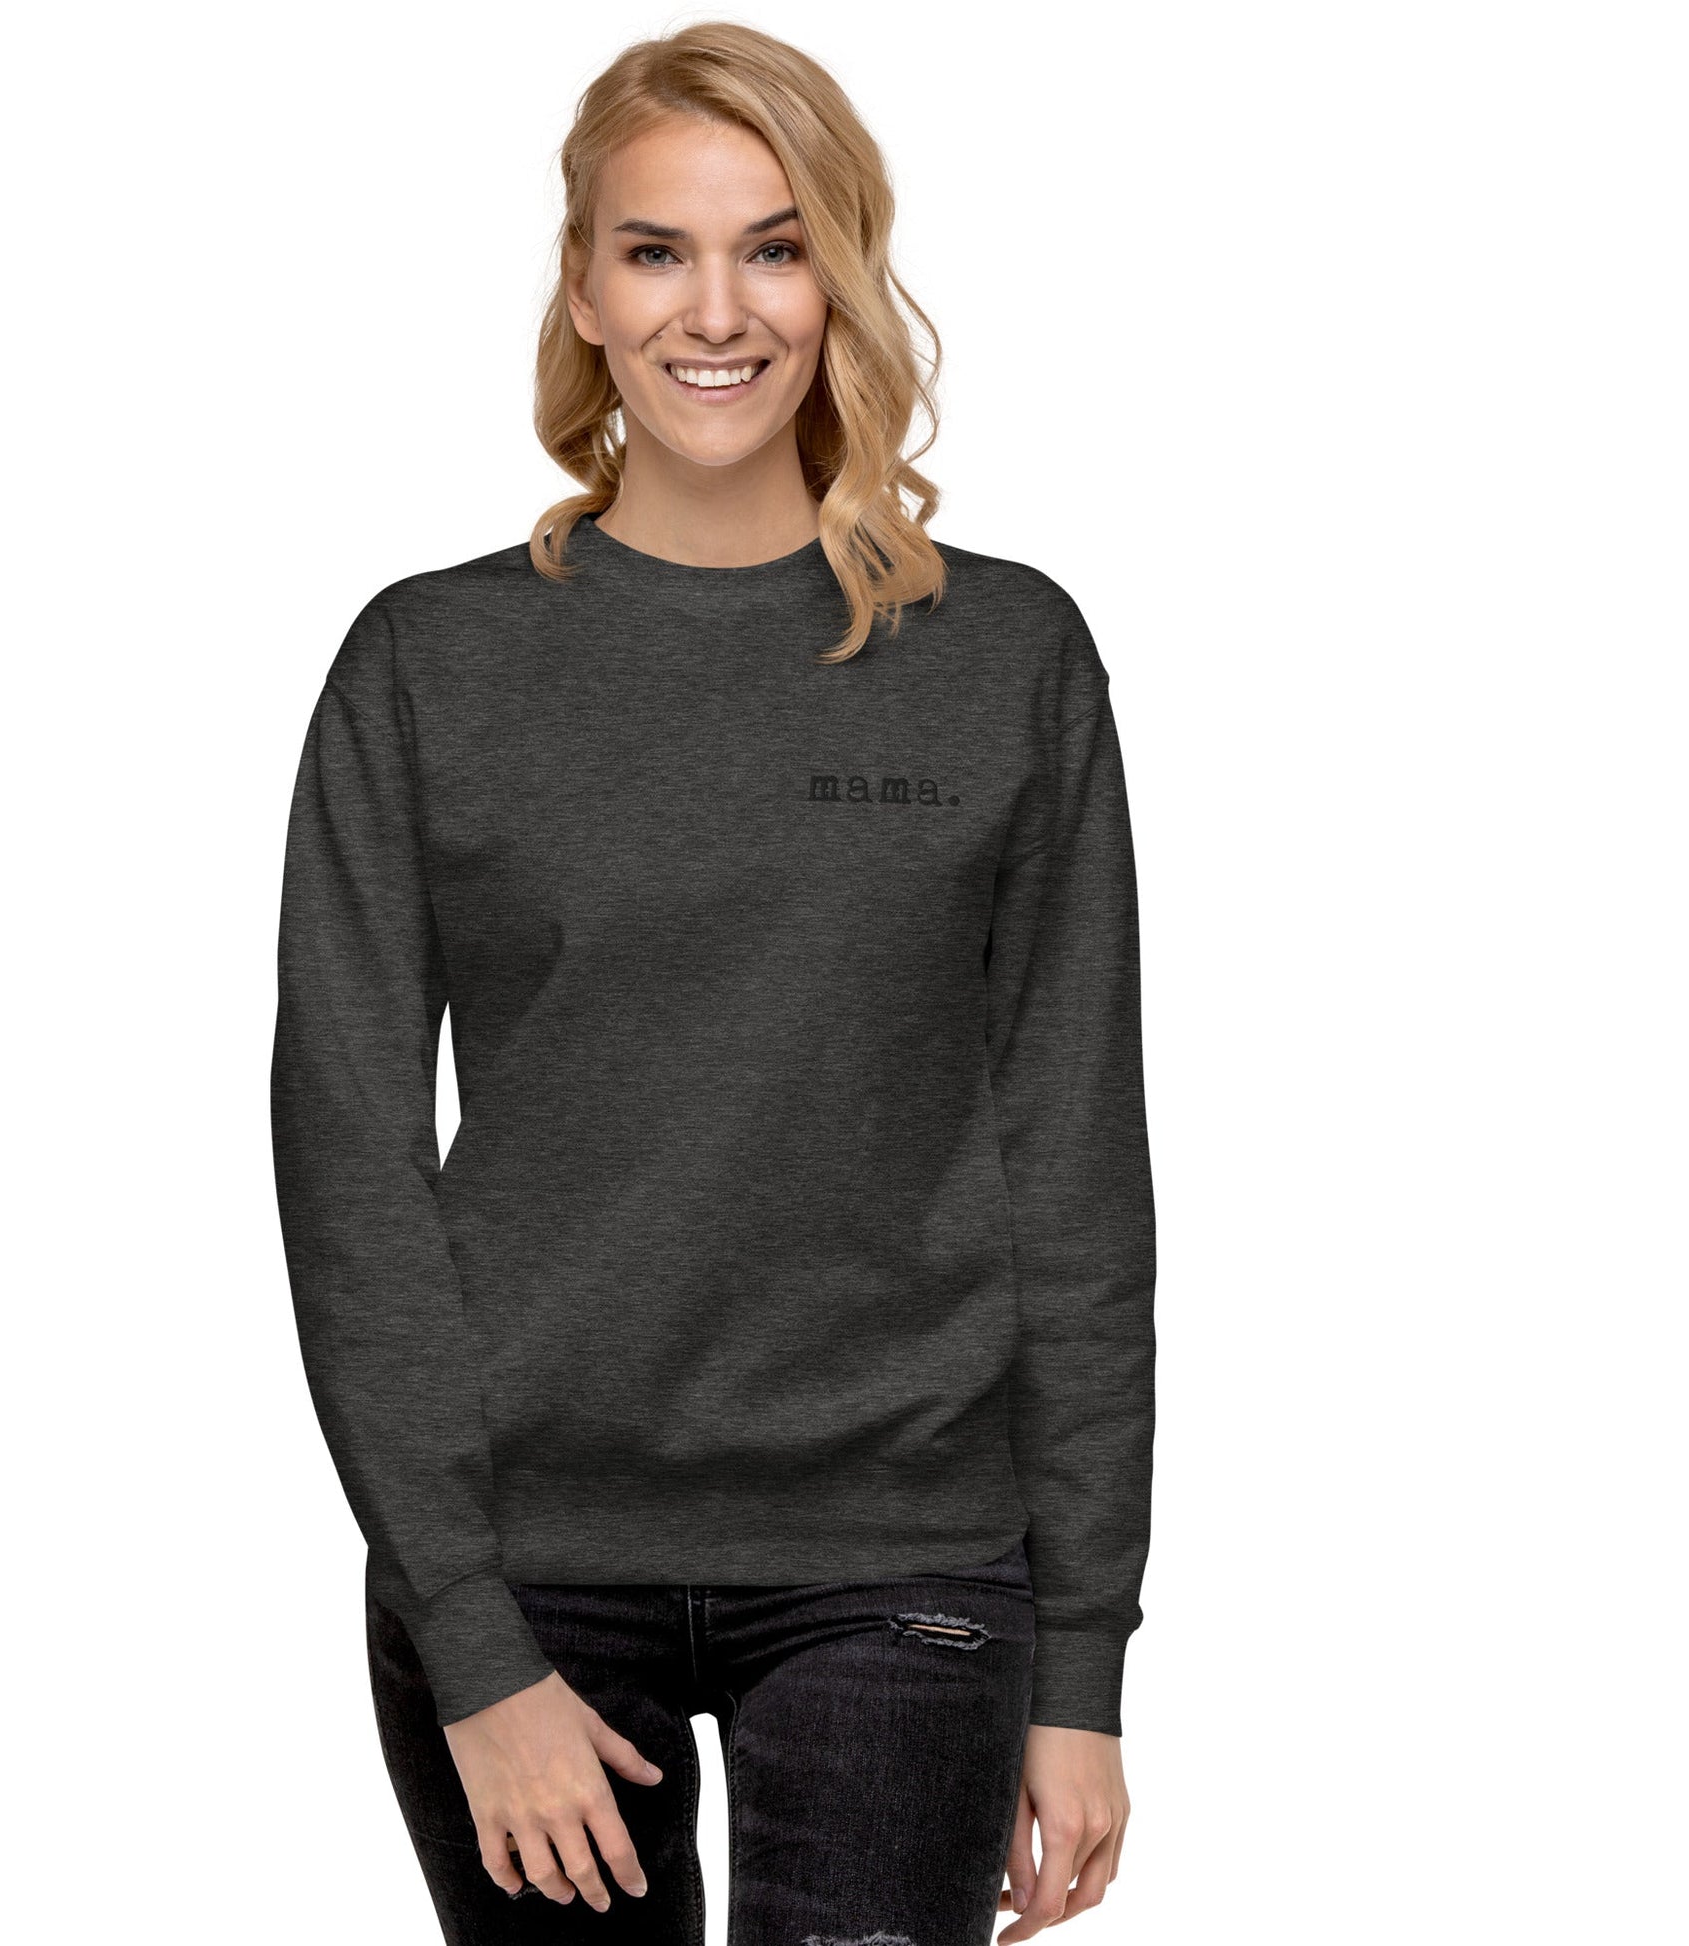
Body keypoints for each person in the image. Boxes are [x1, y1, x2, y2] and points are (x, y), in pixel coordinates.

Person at [270, 22, 1155, 1944]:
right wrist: (471, 1636)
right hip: (524, 1569)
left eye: (775, 247)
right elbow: (350, 1175)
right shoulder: (427, 666)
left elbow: (1074, 1168)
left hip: (904, 1561)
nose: (717, 311)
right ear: (583, 287)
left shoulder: (1004, 658)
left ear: (842, 278)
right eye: (656, 250)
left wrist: (1082, 1655)